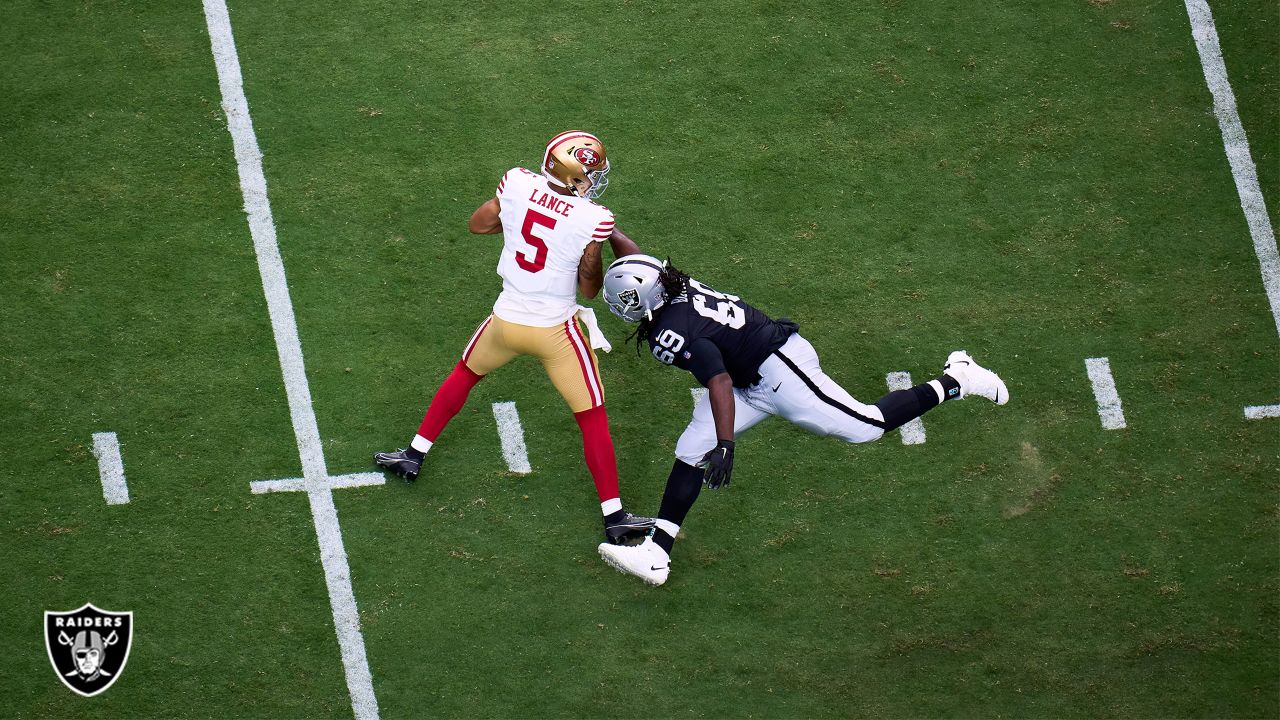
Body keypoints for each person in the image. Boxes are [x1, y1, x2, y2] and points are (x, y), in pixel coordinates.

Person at [595, 254, 1009, 584]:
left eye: (626, 301)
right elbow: (640, 263)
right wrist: (607, 230)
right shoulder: (670, 281)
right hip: (748, 374)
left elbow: (718, 380)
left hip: (778, 372)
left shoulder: (673, 332)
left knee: (866, 427)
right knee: (689, 449)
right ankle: (656, 553)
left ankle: (957, 378)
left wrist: (726, 444)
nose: (621, 309)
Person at [374, 131, 653, 545]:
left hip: (505, 320)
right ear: (575, 175)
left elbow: (478, 224)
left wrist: (518, 226)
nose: (595, 180)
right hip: (554, 331)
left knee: (464, 375)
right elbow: (589, 289)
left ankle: (412, 455)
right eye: (591, 173)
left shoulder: (518, 183)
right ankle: (614, 517)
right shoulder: (595, 218)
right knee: (592, 417)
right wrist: (584, 245)